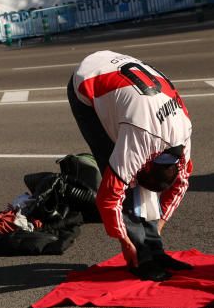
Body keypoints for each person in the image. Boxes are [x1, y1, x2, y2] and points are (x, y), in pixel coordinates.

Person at [68, 50, 193, 281]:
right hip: (88, 82)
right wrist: (125, 241)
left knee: (135, 182)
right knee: (119, 176)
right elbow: (108, 197)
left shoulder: (183, 132)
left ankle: (154, 247)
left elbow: (181, 184)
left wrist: (157, 228)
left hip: (133, 98)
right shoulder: (140, 139)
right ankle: (140, 257)